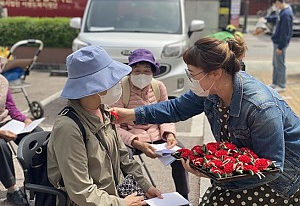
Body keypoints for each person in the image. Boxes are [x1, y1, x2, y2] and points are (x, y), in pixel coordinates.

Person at [110, 37, 300, 205]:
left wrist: (211, 173)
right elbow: (174, 108)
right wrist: (130, 114)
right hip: (242, 177)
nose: (191, 79)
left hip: (283, 182)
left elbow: (272, 167)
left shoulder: (261, 108)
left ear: (215, 73)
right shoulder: (212, 90)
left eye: (193, 74)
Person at [47, 46, 162, 206]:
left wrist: (145, 185)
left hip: (117, 193)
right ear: (94, 86)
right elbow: (81, 191)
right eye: (112, 80)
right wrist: (120, 203)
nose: (118, 84)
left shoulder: (104, 111)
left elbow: (124, 157)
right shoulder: (68, 128)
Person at [110, 48, 189, 200]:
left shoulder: (158, 86)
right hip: (131, 138)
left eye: (146, 71)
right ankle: (137, 197)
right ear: (129, 71)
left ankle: (183, 196)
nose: (142, 75)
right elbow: (115, 126)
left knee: (181, 154)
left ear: (153, 72)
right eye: (137, 70)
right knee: (123, 157)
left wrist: (170, 134)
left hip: (157, 135)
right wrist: (136, 142)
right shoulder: (120, 89)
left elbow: (166, 114)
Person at [0, 72, 43, 206]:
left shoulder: (2, 81)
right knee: (0, 145)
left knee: (37, 134)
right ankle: (12, 190)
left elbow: (11, 108)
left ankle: (35, 182)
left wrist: (25, 119)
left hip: (5, 121)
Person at [265, 0, 294, 93]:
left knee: (280, 64)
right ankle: (275, 82)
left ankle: (281, 85)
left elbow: (285, 32)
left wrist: (281, 47)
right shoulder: (282, 12)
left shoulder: (286, 14)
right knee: (275, 63)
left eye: (275, 4)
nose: (275, 6)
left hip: (280, 43)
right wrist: (267, 18)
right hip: (277, 41)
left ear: (279, 2)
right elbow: (276, 18)